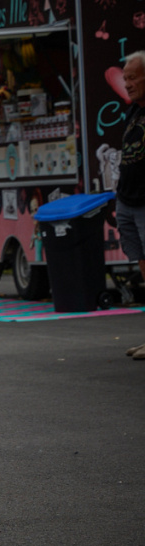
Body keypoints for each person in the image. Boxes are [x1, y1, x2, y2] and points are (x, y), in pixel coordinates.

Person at [115, 51, 145, 361]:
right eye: (125, 78)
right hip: (128, 200)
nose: (128, 83)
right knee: (142, 264)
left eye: (133, 77)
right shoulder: (133, 111)